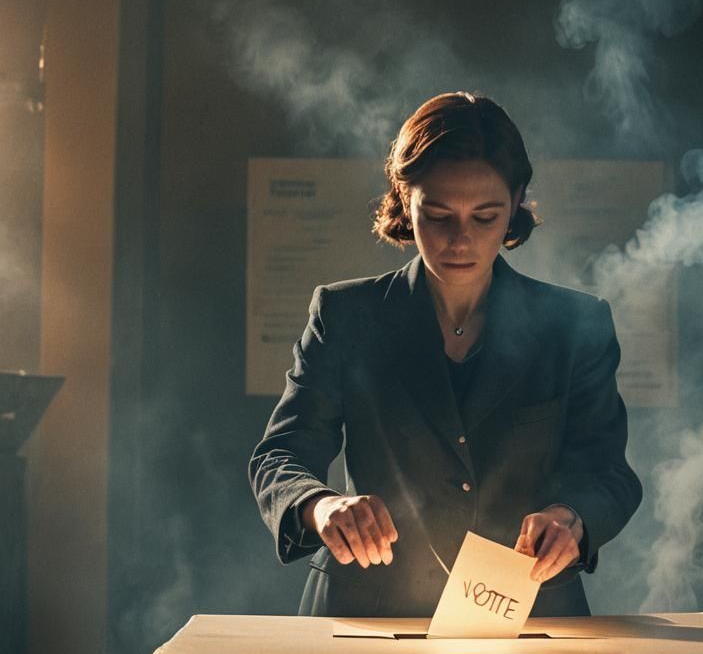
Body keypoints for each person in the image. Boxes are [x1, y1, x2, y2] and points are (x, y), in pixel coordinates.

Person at [248, 92, 643, 617]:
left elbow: (610, 473)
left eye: (485, 217)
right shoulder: (345, 315)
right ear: (403, 199)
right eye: (437, 216)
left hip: (525, 614)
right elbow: (282, 456)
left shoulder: (575, 325)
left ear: (516, 202)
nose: (460, 240)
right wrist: (321, 507)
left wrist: (573, 518)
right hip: (366, 614)